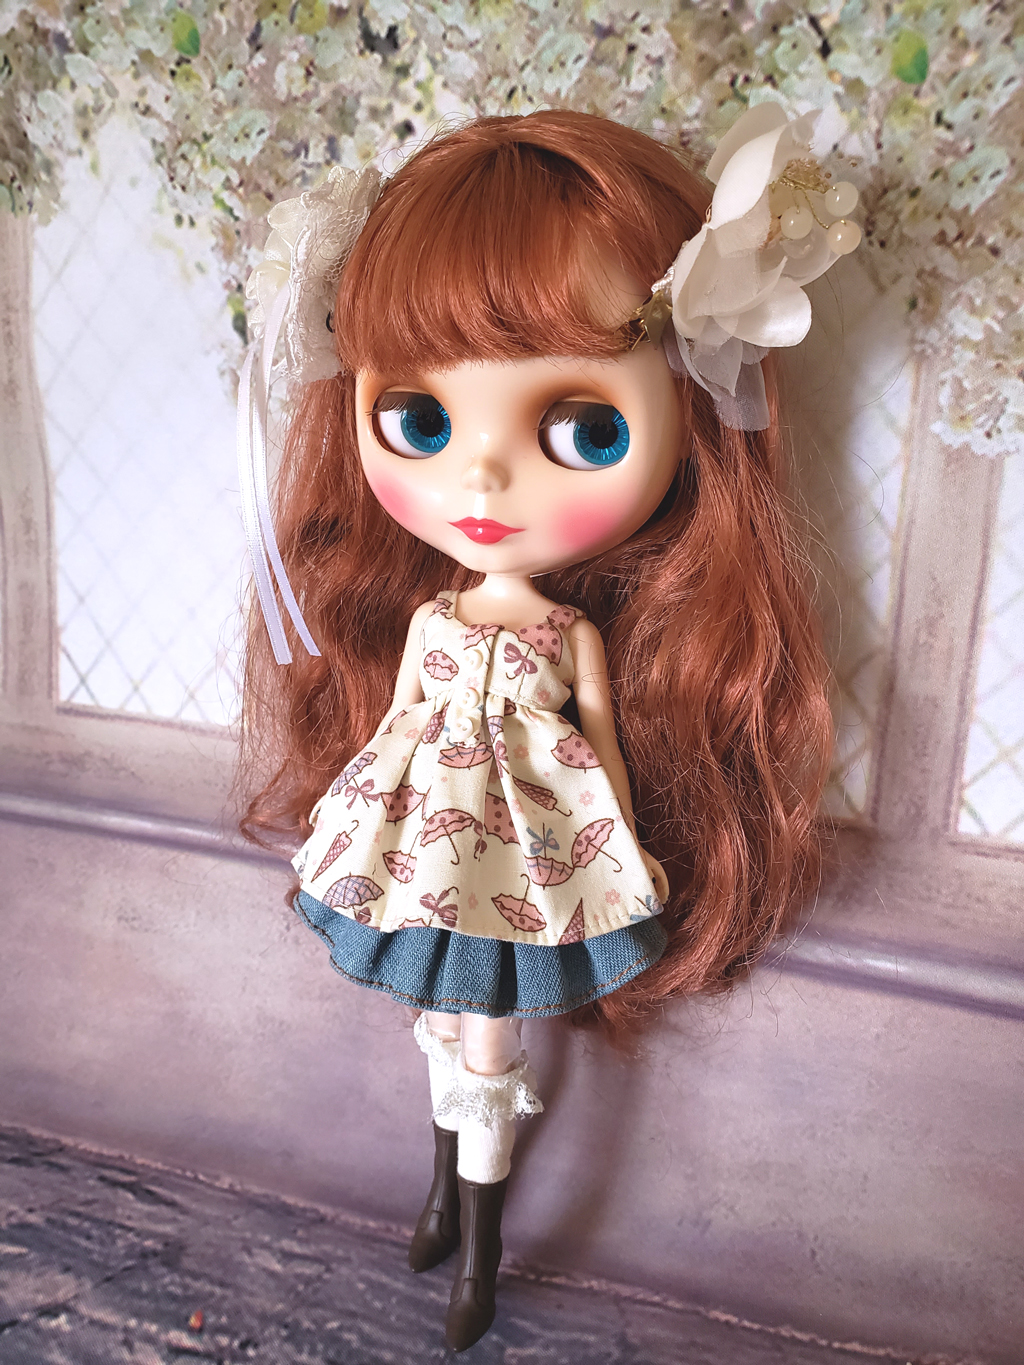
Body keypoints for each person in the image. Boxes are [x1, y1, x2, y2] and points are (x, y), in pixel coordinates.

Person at [239, 106, 857, 1350]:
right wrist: (349, 828)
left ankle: (476, 1244)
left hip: (524, 861)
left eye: (581, 430)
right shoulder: (429, 617)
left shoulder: (566, 635)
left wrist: (623, 848)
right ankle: (443, 1197)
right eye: (419, 420)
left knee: (485, 1038)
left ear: (685, 416)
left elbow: (605, 747)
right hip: (428, 853)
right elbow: (397, 731)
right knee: (445, 1027)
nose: (478, 481)